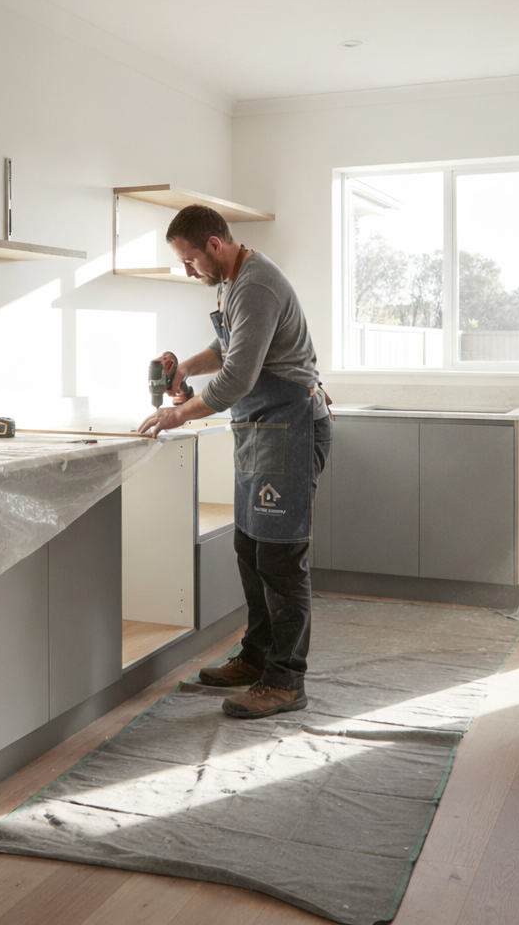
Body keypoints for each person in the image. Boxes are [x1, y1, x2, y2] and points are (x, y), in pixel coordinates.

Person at [138, 204, 332, 719]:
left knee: (281, 558)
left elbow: (239, 378)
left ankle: (286, 680)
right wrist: (184, 366)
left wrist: (181, 414)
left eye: (189, 260)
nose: (187, 271)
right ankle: (257, 658)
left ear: (214, 246)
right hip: (259, 431)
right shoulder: (230, 282)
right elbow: (225, 349)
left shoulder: (256, 285)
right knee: (249, 547)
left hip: (289, 427)